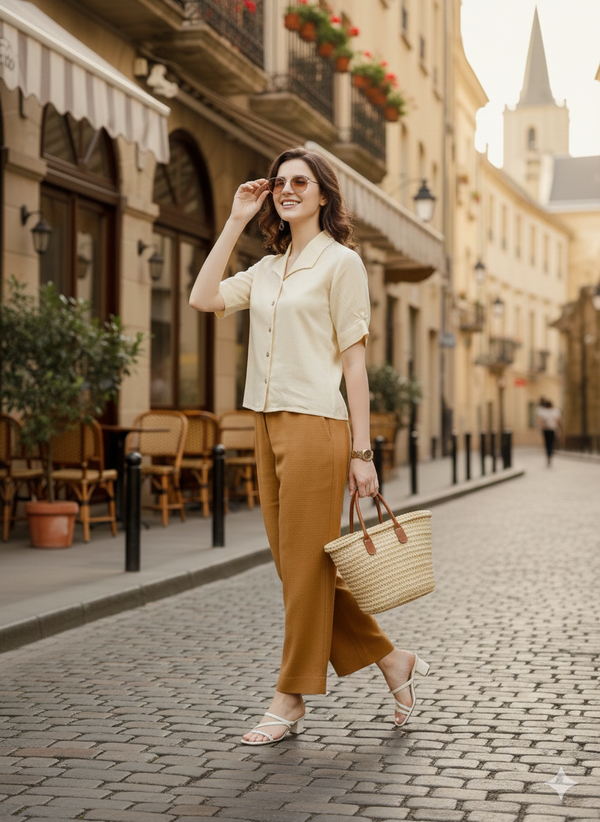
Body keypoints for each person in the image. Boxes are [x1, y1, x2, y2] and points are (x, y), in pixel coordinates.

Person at [189, 146, 430, 745]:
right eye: (281, 183)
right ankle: (391, 659)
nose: (288, 190)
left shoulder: (342, 264)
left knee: (302, 567)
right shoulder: (268, 269)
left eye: (302, 182)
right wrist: (236, 220)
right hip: (265, 425)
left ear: (324, 195)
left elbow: (355, 366)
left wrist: (362, 453)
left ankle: (290, 696)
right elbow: (203, 298)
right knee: (299, 566)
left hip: (318, 426)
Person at [535, 398, 562, 467]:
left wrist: (543, 425)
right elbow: (558, 421)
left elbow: (539, 420)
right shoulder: (555, 411)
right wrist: (559, 429)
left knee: (547, 443)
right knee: (551, 443)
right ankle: (549, 455)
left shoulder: (542, 411)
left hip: (546, 429)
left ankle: (548, 456)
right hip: (552, 429)